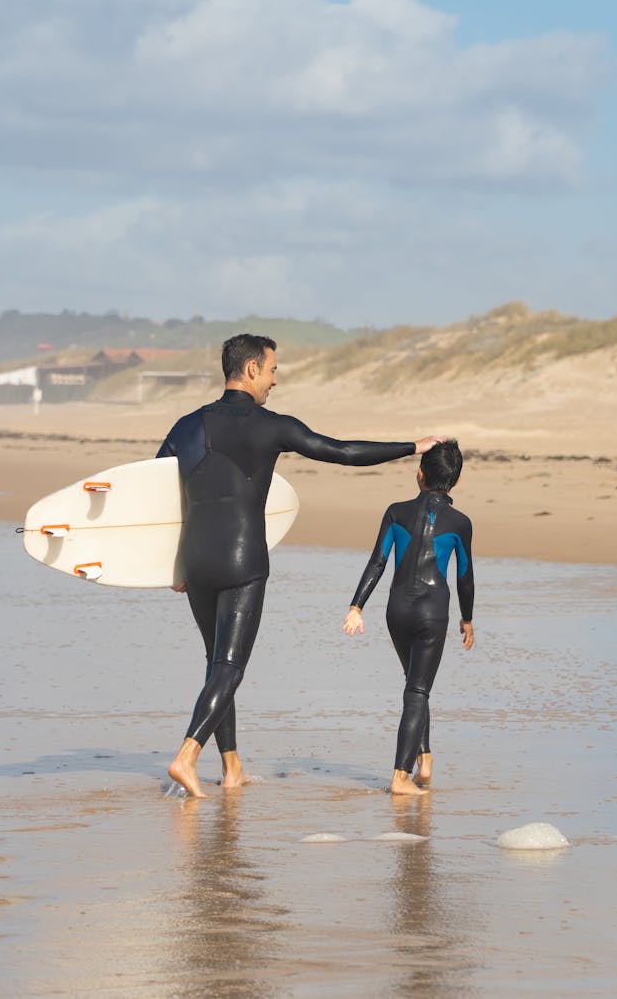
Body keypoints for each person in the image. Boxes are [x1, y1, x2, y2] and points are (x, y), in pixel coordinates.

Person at [157, 332, 444, 797]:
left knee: (215, 664)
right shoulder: (271, 425)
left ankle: (231, 768)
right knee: (230, 665)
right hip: (242, 558)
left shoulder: (185, 426)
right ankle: (186, 756)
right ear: (250, 369)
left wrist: (170, 565)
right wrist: (411, 447)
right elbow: (340, 451)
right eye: (272, 370)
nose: (275, 380)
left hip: (194, 559)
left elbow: (156, 494)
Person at [342, 440, 474, 796]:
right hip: (432, 613)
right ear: (455, 482)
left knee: (416, 683)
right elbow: (464, 574)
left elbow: (378, 561)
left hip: (396, 611)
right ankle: (401, 775)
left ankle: (425, 760)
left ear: (419, 474)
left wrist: (356, 606)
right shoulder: (460, 523)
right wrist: (467, 618)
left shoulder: (396, 512)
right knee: (418, 688)